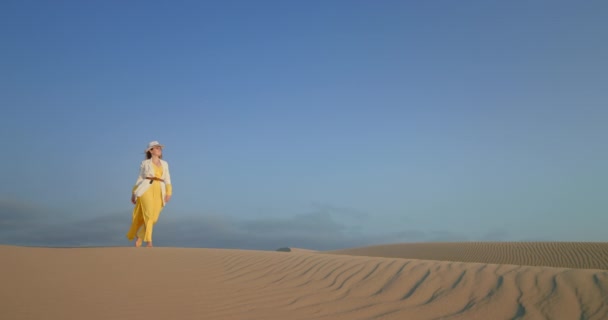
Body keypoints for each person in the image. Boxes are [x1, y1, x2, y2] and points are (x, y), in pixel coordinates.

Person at [126, 141, 172, 247]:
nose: (159, 149)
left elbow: (168, 178)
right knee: (149, 215)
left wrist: (169, 192)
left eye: (160, 148)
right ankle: (149, 241)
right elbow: (140, 178)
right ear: (151, 150)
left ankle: (140, 235)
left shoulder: (165, 163)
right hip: (146, 188)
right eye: (157, 148)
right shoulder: (145, 163)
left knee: (154, 218)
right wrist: (134, 192)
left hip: (160, 189)